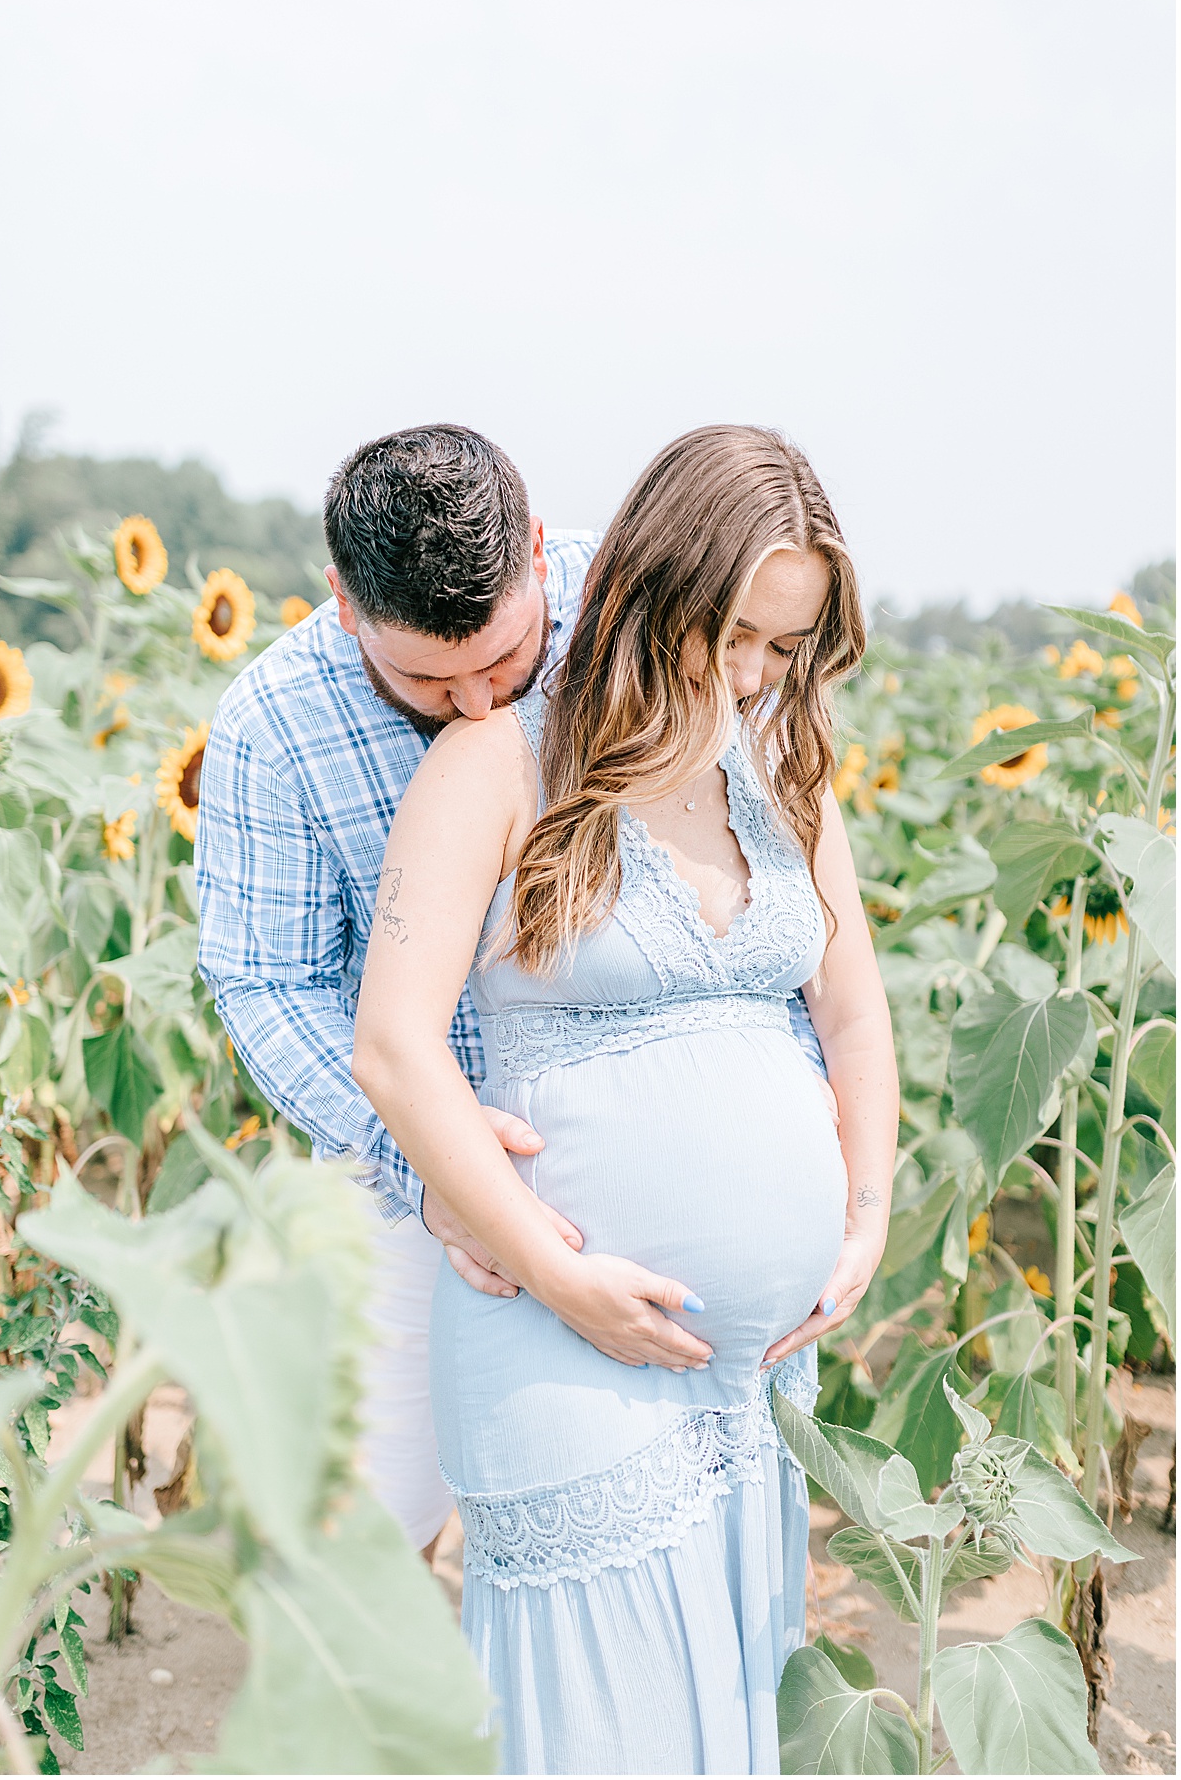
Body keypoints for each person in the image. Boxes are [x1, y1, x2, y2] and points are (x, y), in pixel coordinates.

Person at [353, 425, 899, 1775]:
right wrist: (556, 1272)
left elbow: (854, 1008)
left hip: (744, 1376)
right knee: (601, 1735)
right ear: (660, 582)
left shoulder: (781, 779)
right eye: (741, 632)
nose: (762, 673)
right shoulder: (498, 764)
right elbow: (394, 1048)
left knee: (720, 1710)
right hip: (562, 1340)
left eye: (792, 645)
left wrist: (866, 1216)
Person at [196, 424, 828, 1556]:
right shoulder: (272, 725)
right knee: (372, 1518)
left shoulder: (647, 603)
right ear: (346, 605)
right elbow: (266, 984)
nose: (481, 705)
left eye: (508, 656)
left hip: (660, 1179)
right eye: (429, 678)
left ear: (541, 555)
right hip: (418, 1194)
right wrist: (428, 1169)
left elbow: (766, 851)